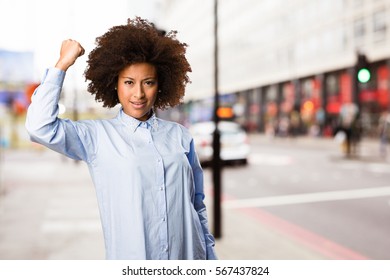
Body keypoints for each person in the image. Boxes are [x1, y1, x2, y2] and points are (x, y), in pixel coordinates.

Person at [25, 17, 217, 260]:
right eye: (129, 82)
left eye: (148, 82)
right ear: (115, 85)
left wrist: (210, 257)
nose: (138, 93)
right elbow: (39, 127)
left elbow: (197, 204)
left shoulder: (179, 136)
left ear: (160, 85)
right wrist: (62, 65)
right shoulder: (96, 137)